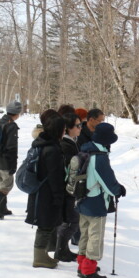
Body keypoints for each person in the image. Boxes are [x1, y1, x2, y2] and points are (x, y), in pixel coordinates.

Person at [76, 122, 125, 278]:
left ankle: (82, 264)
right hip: (95, 202)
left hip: (81, 198)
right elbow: (108, 183)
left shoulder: (84, 150)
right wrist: (119, 190)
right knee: (95, 236)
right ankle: (88, 271)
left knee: (85, 234)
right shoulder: (99, 157)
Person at [25, 116, 68, 269]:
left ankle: (42, 255)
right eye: (63, 128)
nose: (65, 131)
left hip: (39, 192)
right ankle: (39, 257)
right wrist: (58, 197)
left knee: (45, 224)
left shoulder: (41, 143)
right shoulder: (52, 149)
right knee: (45, 225)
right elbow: (55, 176)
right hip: (47, 194)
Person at [54, 112, 83, 262]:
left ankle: (63, 249)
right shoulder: (66, 145)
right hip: (67, 188)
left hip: (68, 188)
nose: (80, 128)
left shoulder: (71, 142)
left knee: (70, 219)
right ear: (68, 128)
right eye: (78, 126)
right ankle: (60, 250)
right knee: (71, 220)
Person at [0, 100, 22, 219]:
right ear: (17, 113)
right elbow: (11, 148)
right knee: (6, 185)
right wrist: (13, 164)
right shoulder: (11, 126)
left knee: (1, 183)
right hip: (5, 161)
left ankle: (2, 208)